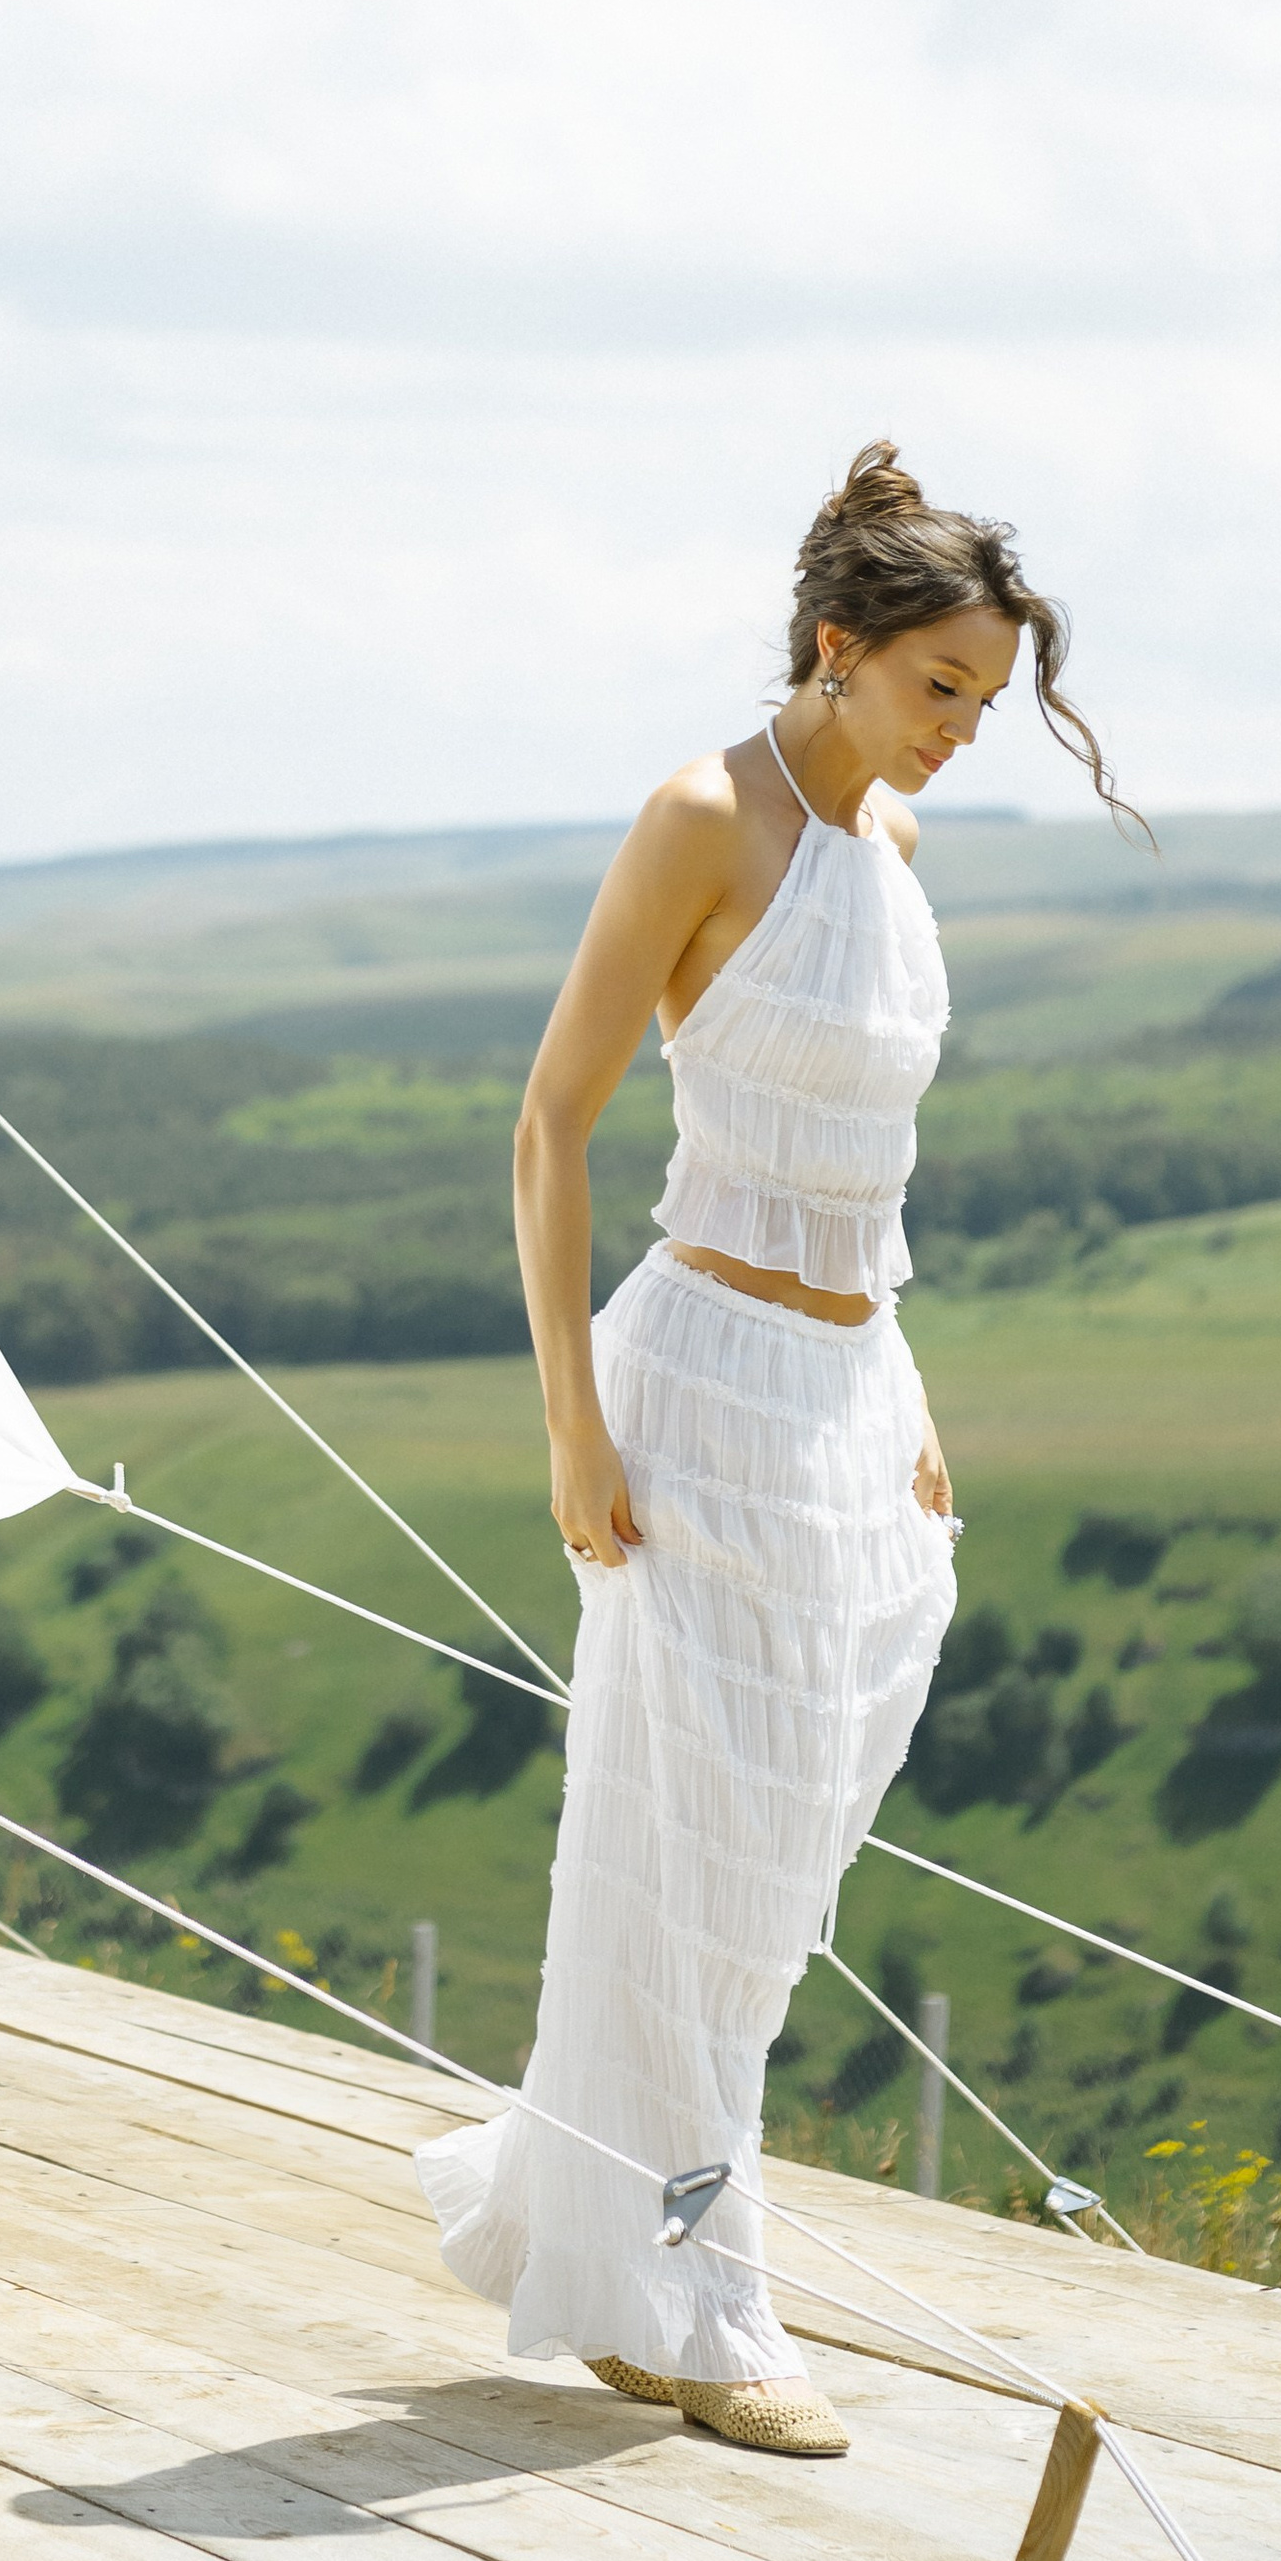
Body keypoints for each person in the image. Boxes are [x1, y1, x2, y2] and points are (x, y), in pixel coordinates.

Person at [415, 441, 1138, 2457]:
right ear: (836, 647)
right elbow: (548, 1119)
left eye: (985, 707)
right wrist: (567, 1412)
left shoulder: (890, 851)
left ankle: (592, 2207)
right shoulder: (696, 817)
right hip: (698, 1384)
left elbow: (868, 1175)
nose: (962, 736)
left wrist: (903, 1401)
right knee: (697, 1851)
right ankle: (690, 2300)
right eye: (938, 693)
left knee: (776, 1843)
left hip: (845, 1400)